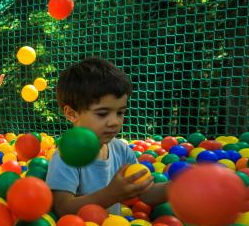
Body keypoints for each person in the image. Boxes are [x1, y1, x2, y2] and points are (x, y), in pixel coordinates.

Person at [47, 57, 167, 217]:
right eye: (103, 114)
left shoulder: (121, 150)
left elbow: (146, 192)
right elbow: (62, 207)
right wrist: (111, 195)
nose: (114, 122)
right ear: (71, 113)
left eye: (120, 112)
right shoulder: (66, 157)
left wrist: (177, 187)